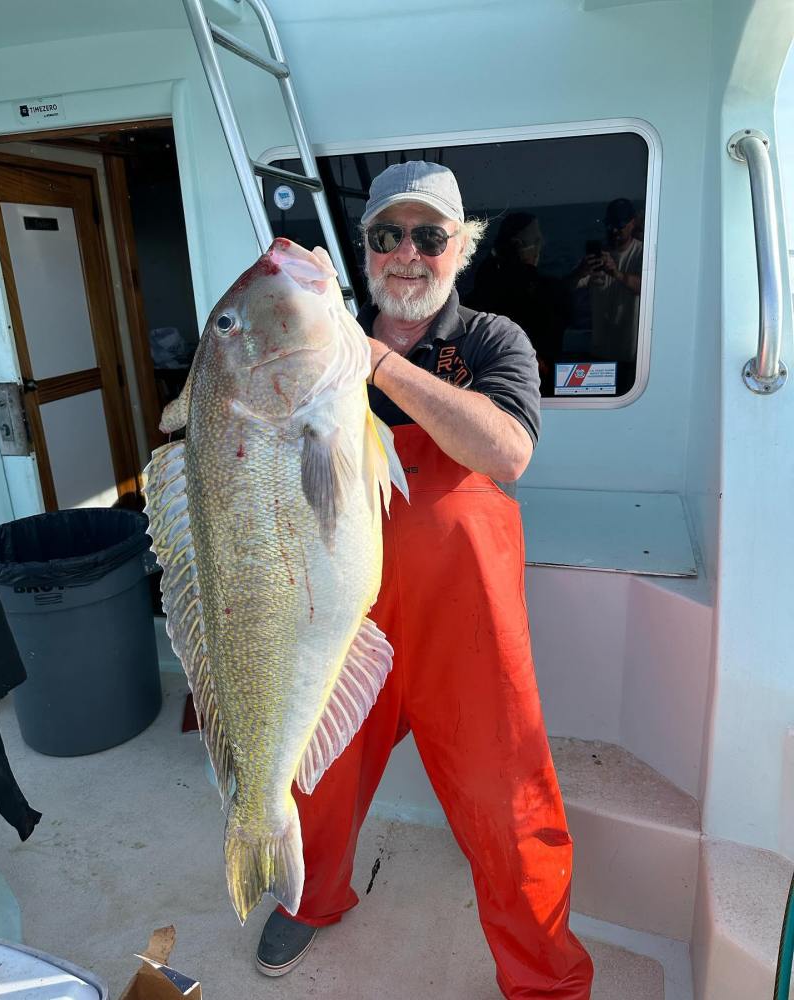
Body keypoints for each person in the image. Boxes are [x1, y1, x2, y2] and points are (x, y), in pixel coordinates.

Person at [255, 161, 594, 999]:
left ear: (460, 248)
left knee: (509, 806)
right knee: (314, 774)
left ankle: (546, 978)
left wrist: (376, 363)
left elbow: (507, 452)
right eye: (386, 236)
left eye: (429, 236)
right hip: (343, 612)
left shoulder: (490, 340)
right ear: (364, 250)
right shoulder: (308, 336)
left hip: (463, 629)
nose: (407, 254)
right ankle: (313, 897)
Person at [468, 212, 572, 392]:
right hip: (531, 374)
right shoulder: (522, 283)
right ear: (518, 245)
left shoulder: (488, 275)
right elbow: (546, 300)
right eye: (537, 241)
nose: (542, 245)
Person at [575, 197, 643, 392]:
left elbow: (646, 289)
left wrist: (616, 273)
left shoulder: (642, 254)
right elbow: (567, 288)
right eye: (610, 225)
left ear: (632, 223)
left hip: (631, 358)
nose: (614, 231)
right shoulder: (597, 256)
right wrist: (581, 271)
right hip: (598, 355)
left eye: (619, 226)